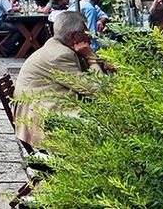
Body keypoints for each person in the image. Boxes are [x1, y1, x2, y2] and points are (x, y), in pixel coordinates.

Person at [12, 12, 109, 147]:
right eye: (85, 33)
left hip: (42, 107)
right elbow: (98, 90)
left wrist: (100, 62)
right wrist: (91, 59)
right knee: (109, 127)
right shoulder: (61, 55)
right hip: (44, 117)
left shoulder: (57, 46)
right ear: (74, 37)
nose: (89, 37)